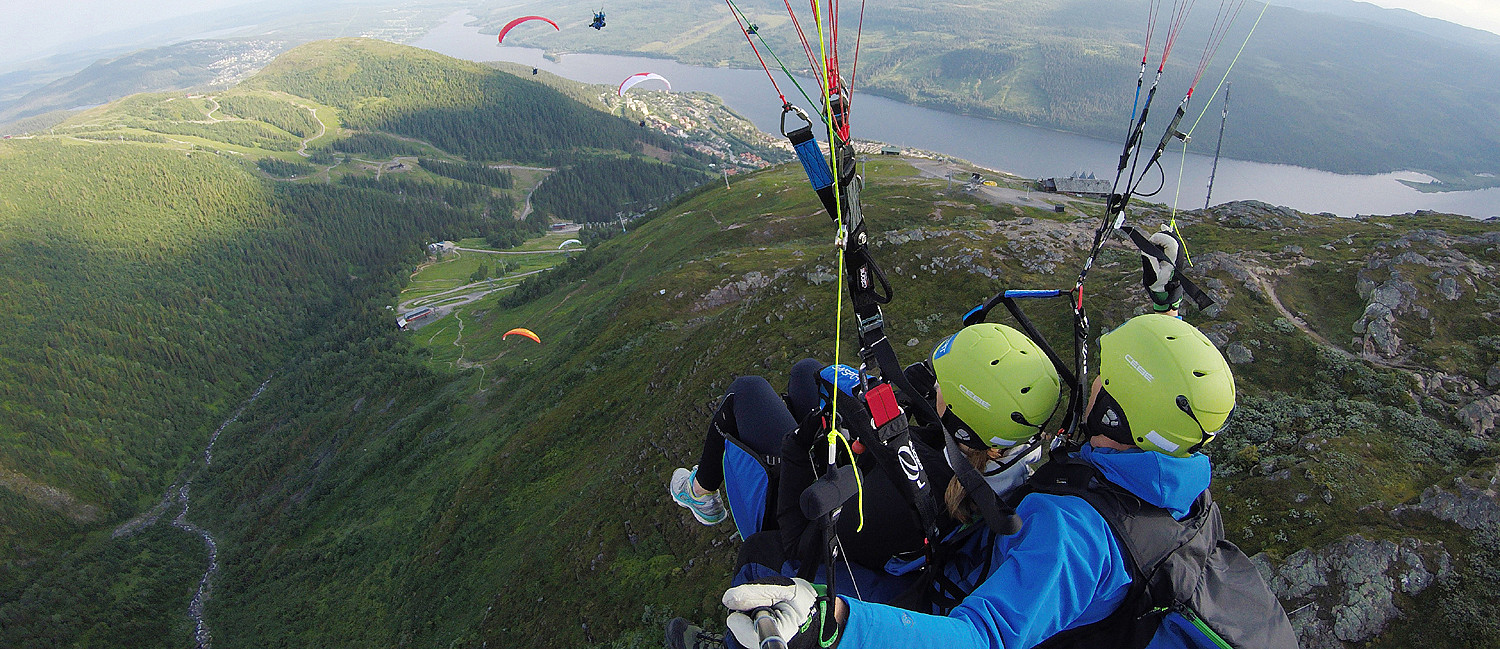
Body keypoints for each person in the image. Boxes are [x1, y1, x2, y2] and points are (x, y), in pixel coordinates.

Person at [714, 229, 1297, 649]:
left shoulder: (1075, 537)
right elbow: (1172, 403)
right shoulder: (1170, 476)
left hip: (945, 601)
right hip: (973, 539)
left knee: (763, 559)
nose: (1090, 386)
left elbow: (984, 635)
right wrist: (1166, 305)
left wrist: (837, 622)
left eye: (1104, 384)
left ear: (1117, 417)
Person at [667, 324, 1063, 620]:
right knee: (808, 373)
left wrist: (799, 448)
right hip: (880, 495)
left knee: (746, 391)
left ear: (960, 418)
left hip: (817, 517)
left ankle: (701, 492)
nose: (936, 385)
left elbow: (799, 544)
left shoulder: (905, 492)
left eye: (945, 386)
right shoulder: (1009, 460)